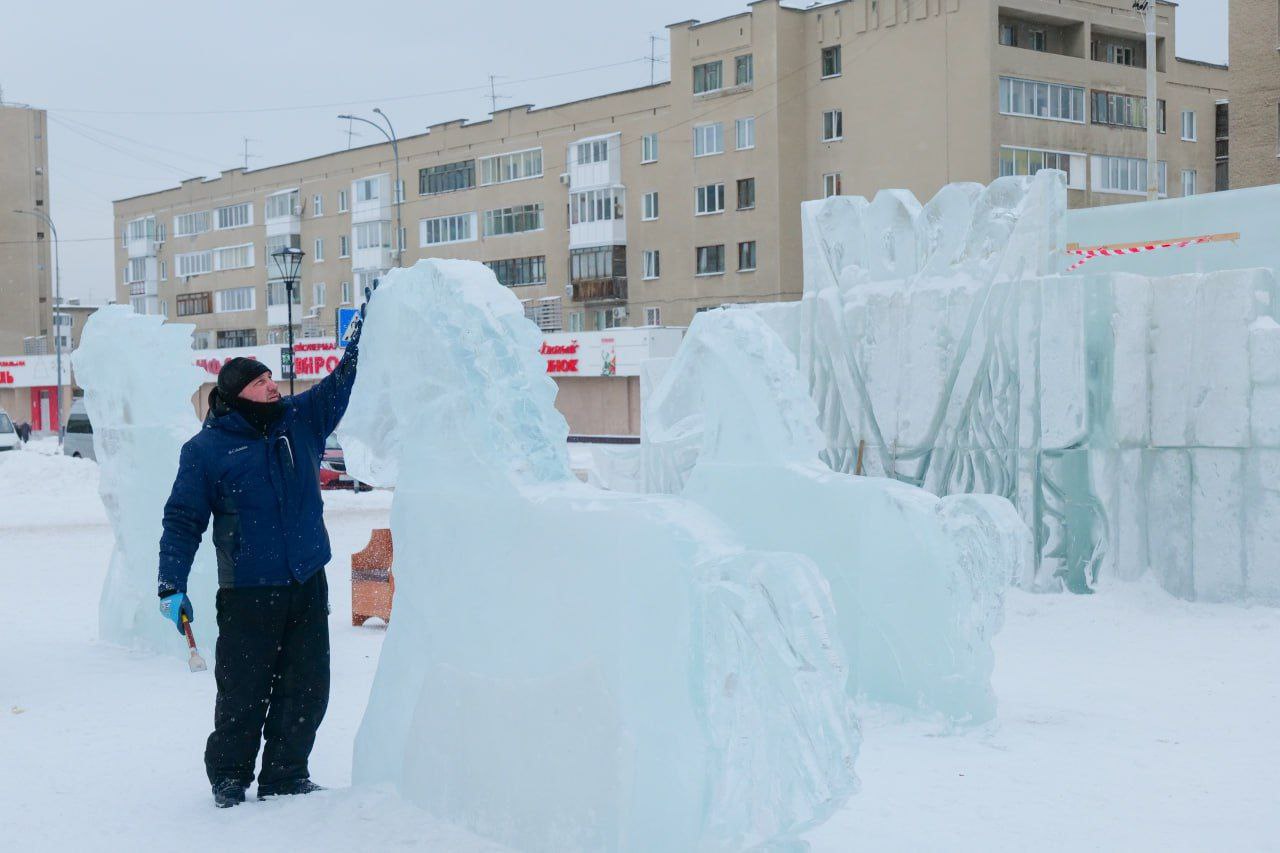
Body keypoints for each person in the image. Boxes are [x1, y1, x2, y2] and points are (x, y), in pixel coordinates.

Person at [156, 293, 372, 808]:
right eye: (260, 381)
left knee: (307, 687)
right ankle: (230, 776)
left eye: (271, 378)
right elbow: (183, 520)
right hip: (248, 588)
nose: (272, 385)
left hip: (305, 578)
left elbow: (343, 381)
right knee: (243, 690)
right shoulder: (206, 451)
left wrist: (367, 332)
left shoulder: (299, 419)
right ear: (236, 394)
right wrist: (171, 582)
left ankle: (285, 773)